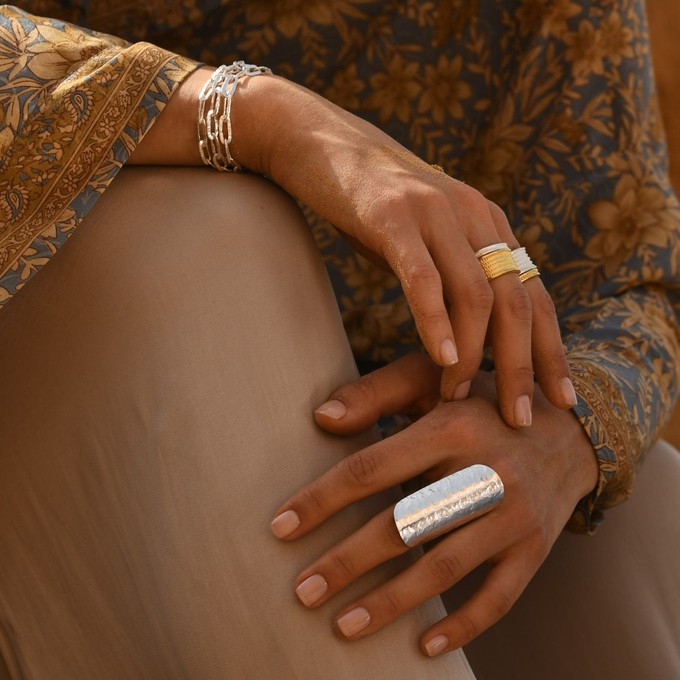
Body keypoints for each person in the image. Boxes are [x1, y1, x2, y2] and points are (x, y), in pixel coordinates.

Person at [0, 2, 679, 678]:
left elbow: (633, 274)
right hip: (74, 324)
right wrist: (260, 116)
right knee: (206, 238)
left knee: (641, 512)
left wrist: (560, 422)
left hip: (382, 408)